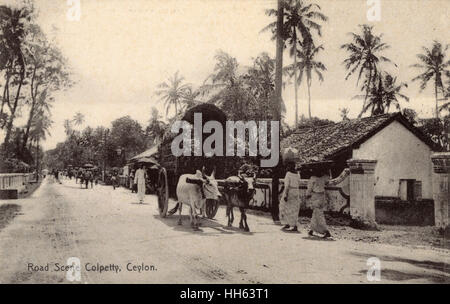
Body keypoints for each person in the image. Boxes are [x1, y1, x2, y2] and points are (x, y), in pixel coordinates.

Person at [306, 166, 332, 238]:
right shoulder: (324, 177)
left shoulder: (313, 178)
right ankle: (312, 229)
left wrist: (307, 195)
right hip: (322, 196)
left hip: (315, 196)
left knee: (318, 214)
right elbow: (329, 180)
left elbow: (309, 188)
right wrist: (329, 171)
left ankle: (326, 231)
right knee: (316, 213)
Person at [280, 161, 301, 232]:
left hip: (290, 191)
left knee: (284, 206)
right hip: (296, 191)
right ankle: (292, 224)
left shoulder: (288, 174)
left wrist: (285, 194)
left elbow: (287, 185)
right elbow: (298, 182)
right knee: (294, 208)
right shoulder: (298, 174)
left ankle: (288, 223)